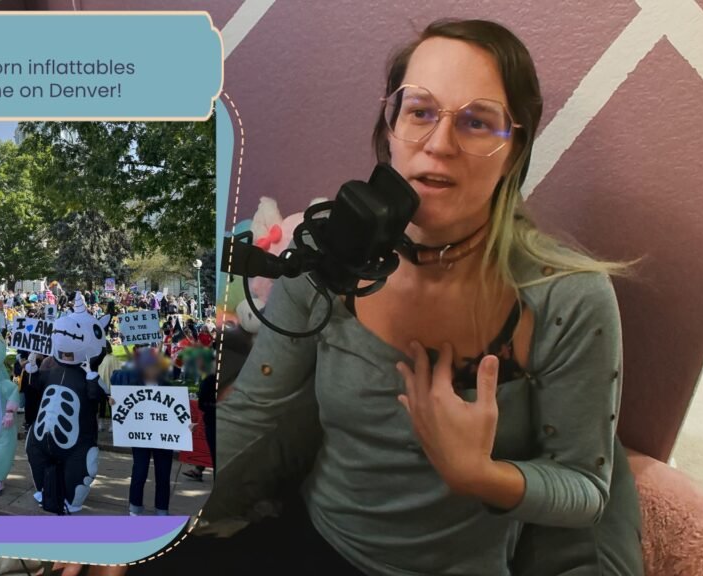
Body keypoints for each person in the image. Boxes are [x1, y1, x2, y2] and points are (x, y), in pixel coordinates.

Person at [183, 19, 643, 576]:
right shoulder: (329, 258)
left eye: (477, 122)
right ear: (391, 125)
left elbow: (590, 489)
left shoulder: (567, 298)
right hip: (310, 542)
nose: (439, 144)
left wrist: (478, 473)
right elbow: (253, 411)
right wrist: (136, 517)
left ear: (515, 147)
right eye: (420, 111)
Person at [119, 348, 177, 516]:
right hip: (141, 437)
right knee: (139, 472)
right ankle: (135, 507)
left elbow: (177, 412)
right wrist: (114, 402)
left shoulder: (168, 386)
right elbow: (124, 409)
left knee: (163, 475)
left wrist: (185, 427)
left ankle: (162, 509)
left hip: (163, 438)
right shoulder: (133, 386)